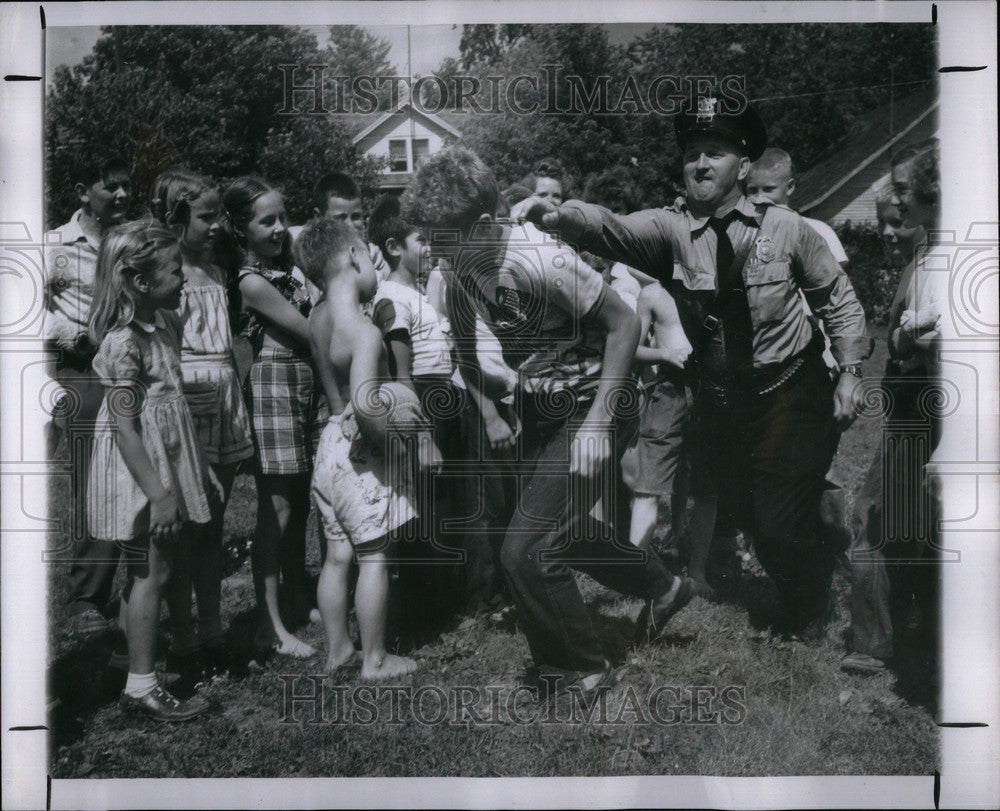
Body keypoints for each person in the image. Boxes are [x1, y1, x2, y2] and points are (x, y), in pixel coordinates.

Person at [515, 94, 871, 638]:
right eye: (692, 154)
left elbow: (837, 300)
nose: (701, 164)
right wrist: (560, 216)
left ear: (744, 167)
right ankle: (816, 529)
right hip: (728, 400)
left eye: (716, 152)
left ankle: (806, 610)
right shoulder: (670, 230)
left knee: (775, 519)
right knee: (750, 513)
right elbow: (612, 228)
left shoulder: (788, 229)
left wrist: (848, 370)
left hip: (791, 389)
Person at [405, 147, 694, 704]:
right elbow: (466, 347)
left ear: (485, 227)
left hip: (595, 400)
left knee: (527, 549)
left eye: (443, 237)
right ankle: (663, 586)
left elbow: (625, 324)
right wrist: (489, 406)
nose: (434, 252)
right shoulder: (459, 264)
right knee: (557, 534)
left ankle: (580, 671)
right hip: (540, 403)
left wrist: (598, 422)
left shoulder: (540, 261)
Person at [86, 219, 214, 721]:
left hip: (167, 460)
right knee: (151, 572)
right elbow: (124, 428)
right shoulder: (122, 344)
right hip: (139, 469)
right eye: (175, 270)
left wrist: (195, 471)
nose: (184, 278)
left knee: (149, 568)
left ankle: (129, 653)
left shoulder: (164, 324)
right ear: (140, 282)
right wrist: (159, 494)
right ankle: (141, 684)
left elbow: (173, 409)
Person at [295, 216, 433, 679]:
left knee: (337, 556)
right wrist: (398, 446)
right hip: (360, 452)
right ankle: (374, 658)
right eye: (369, 256)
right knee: (375, 555)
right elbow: (366, 404)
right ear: (355, 256)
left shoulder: (317, 319)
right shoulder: (365, 331)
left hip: (328, 445)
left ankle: (338, 649)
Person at [149, 169, 254, 682]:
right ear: (175, 219)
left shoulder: (218, 269)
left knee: (213, 526)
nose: (216, 225)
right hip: (188, 405)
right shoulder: (168, 275)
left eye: (220, 216)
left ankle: (213, 633)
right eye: (205, 216)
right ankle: (185, 639)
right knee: (187, 530)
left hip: (226, 399)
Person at [843, 140, 941, 675]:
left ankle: (873, 643)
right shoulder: (928, 259)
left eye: (902, 201)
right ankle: (917, 630)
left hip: (916, 404)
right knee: (916, 522)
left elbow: (909, 343)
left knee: (873, 518)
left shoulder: (933, 260)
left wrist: (903, 344)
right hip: (923, 404)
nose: (893, 219)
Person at [217, 176, 316, 659]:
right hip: (276, 383)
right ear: (240, 229)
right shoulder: (252, 281)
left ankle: (296, 601)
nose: (280, 228)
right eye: (267, 221)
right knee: (275, 508)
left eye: (283, 217)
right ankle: (267, 624)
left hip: (303, 381)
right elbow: (309, 329)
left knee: (298, 503)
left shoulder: (285, 268)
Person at [46, 155, 134, 638]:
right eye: (111, 187)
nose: (122, 196)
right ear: (84, 191)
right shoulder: (54, 245)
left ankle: (130, 590)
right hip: (80, 369)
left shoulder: (132, 241)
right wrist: (73, 335)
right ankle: (86, 599)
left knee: (133, 474)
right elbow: (19, 310)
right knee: (95, 478)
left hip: (129, 366)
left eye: (127, 188)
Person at [745, 148, 849, 267]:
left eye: (768, 189)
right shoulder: (740, 233)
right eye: (752, 190)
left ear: (789, 187)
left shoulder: (818, 231)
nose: (760, 197)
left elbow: (836, 281)